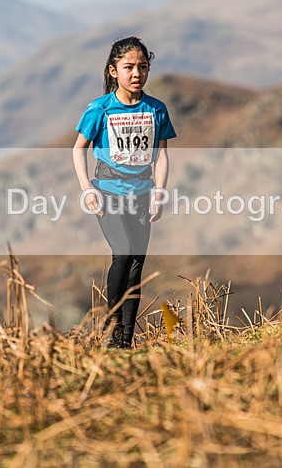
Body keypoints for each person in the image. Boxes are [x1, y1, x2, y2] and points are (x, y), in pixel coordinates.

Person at [73, 37, 176, 348]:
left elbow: (161, 155)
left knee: (136, 266)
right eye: (129, 67)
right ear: (113, 70)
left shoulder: (156, 109)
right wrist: (87, 188)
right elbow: (79, 149)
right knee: (124, 252)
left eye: (142, 67)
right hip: (107, 191)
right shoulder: (99, 109)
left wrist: (159, 192)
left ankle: (124, 341)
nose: (136, 74)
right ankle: (110, 324)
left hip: (143, 193)